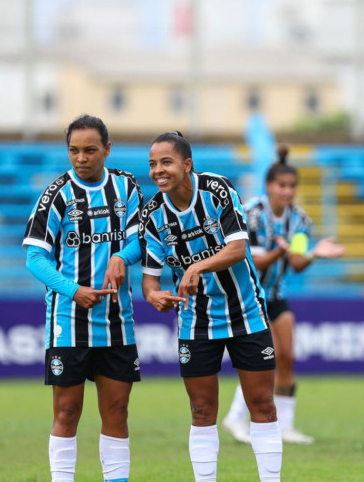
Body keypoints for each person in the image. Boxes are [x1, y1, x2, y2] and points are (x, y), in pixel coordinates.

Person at [139, 131, 283, 482]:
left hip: (246, 312)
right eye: (153, 164)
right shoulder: (153, 213)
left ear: (187, 165)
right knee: (202, 410)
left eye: (167, 162)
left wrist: (195, 266)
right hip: (195, 320)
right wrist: (154, 296)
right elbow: (150, 280)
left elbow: (237, 248)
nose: (159, 170)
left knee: (262, 405)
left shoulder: (216, 189)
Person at [22, 114, 144, 482]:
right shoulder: (56, 195)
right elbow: (34, 258)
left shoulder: (126, 188)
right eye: (74, 151)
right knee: (67, 411)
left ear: (107, 149)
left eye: (90, 150)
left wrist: (123, 256)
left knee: (117, 411)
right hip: (68, 322)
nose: (81, 158)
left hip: (116, 321)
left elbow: (142, 239)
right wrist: (73, 291)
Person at [222, 144, 345, 445]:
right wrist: (281, 249)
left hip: (276, 295)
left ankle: (286, 425)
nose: (287, 191)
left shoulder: (300, 220)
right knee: (266, 359)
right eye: (282, 185)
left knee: (287, 357)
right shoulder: (250, 214)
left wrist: (313, 252)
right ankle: (236, 418)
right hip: (249, 296)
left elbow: (297, 263)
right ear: (268, 186)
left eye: (292, 186)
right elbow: (250, 258)